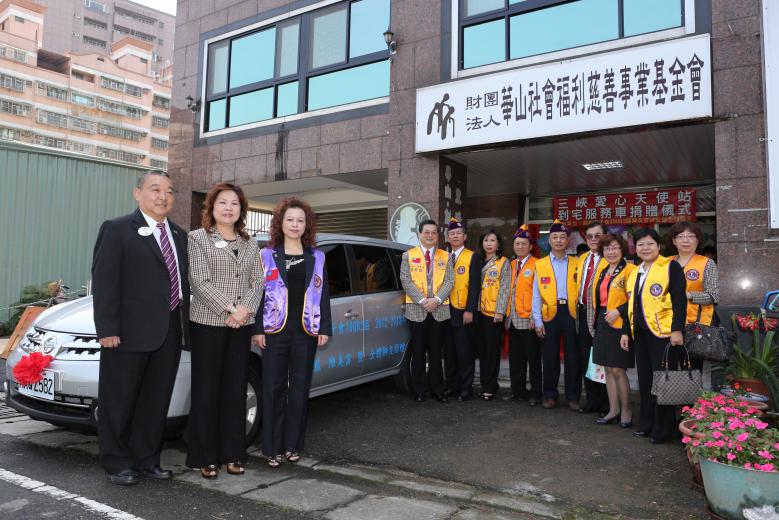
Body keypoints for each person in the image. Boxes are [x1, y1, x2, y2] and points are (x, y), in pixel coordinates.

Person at [91, 170, 190, 486]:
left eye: (169, 191)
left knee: (155, 401)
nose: (163, 196)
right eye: (155, 189)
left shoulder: (179, 234)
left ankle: (147, 459)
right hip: (127, 333)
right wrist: (107, 328)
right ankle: (117, 461)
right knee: (118, 401)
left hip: (169, 332)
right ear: (138, 193)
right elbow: (105, 282)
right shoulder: (117, 229)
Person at [186, 183, 264, 479]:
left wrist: (244, 311)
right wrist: (231, 309)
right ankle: (205, 456)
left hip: (240, 326)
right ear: (212, 207)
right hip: (208, 324)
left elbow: (258, 282)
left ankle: (233, 453)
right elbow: (199, 281)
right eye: (222, 202)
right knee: (206, 391)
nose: (228, 208)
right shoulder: (198, 238)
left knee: (235, 390)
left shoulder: (250, 242)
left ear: (241, 210)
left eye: (234, 203)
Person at [251, 197, 332, 467]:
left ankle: (293, 445)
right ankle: (272, 448)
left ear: (307, 224)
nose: (295, 224)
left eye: (300, 220)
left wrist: (324, 327)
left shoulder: (317, 257)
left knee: (299, 389)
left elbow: (323, 294)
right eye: (290, 220)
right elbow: (258, 294)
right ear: (280, 223)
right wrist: (258, 329)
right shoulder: (267, 255)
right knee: (273, 388)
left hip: (306, 332)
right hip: (274, 331)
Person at [621, 228, 687, 444]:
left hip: (664, 334)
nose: (645, 248)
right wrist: (626, 331)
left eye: (650, 244)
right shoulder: (635, 271)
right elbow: (631, 304)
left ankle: (664, 429)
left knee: (664, 382)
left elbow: (679, 300)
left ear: (658, 246)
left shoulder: (670, 266)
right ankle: (647, 424)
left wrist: (677, 330)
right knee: (645, 380)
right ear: (635, 248)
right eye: (641, 244)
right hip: (640, 333)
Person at [400, 219, 454, 403]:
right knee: (418, 351)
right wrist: (423, 301)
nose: (430, 235)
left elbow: (450, 281)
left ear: (438, 235)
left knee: (436, 352)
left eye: (433, 232)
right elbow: (406, 280)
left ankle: (438, 389)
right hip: (417, 310)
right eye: (426, 232)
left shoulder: (446, 256)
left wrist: (436, 300)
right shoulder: (408, 255)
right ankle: (419, 389)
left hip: (439, 311)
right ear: (419, 234)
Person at [532, 220, 579, 410]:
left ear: (568, 240)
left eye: (562, 237)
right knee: (550, 357)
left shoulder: (577, 262)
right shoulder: (540, 264)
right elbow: (536, 294)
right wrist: (537, 320)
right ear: (548, 240)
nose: (558, 240)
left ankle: (573, 396)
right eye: (554, 237)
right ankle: (550, 395)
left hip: (571, 313)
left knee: (573, 356)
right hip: (549, 313)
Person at [591, 233, 636, 428]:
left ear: (622, 249)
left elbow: (635, 299)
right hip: (603, 321)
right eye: (607, 248)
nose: (611, 252)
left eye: (615, 247)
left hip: (621, 322)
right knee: (607, 369)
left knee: (618, 369)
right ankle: (613, 410)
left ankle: (626, 410)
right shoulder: (603, 270)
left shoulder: (630, 270)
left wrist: (619, 311)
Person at [669, 221, 720, 373]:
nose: (685, 240)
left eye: (690, 236)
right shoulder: (665, 263)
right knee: (667, 368)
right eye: (681, 236)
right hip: (667, 324)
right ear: (674, 241)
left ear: (697, 240)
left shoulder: (707, 263)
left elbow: (713, 296)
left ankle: (692, 390)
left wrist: (687, 295)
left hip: (694, 325)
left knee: (691, 371)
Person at [503, 225, 542, 406]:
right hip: (512, 318)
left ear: (531, 246)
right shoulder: (510, 265)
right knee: (516, 358)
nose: (520, 247)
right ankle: (517, 391)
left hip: (528, 319)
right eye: (517, 244)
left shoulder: (538, 264)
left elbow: (540, 293)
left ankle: (536, 392)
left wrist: (536, 317)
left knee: (533, 359)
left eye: (523, 244)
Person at [444, 218, 480, 402]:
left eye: (458, 233)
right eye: (452, 234)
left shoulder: (472, 256)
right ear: (448, 237)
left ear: (465, 237)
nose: (455, 236)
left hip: (463, 311)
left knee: (464, 352)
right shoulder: (443, 257)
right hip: (444, 310)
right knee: (449, 352)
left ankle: (466, 389)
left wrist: (470, 310)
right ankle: (452, 386)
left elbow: (475, 286)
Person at [574, 222, 609, 415]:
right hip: (582, 313)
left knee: (601, 358)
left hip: (601, 314)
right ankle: (591, 400)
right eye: (590, 236)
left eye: (598, 235)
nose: (593, 239)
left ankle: (605, 403)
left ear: (605, 236)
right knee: (585, 358)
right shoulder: (582, 259)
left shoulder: (610, 258)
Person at [477, 230, 510, 401]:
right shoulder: (478, 260)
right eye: (486, 240)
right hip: (478, 312)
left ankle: (490, 387)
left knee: (491, 352)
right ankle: (485, 384)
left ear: (498, 244)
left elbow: (505, 288)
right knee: (482, 351)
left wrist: (500, 311)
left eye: (492, 240)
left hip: (493, 314)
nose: (489, 243)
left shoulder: (503, 262)